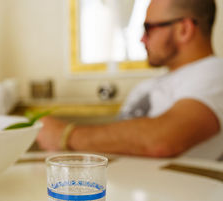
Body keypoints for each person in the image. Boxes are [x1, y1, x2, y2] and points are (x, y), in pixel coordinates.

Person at [37, 0, 223, 160]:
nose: (142, 39)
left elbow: (162, 141)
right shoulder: (148, 86)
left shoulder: (215, 72)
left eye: (149, 28)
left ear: (184, 29)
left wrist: (65, 135)